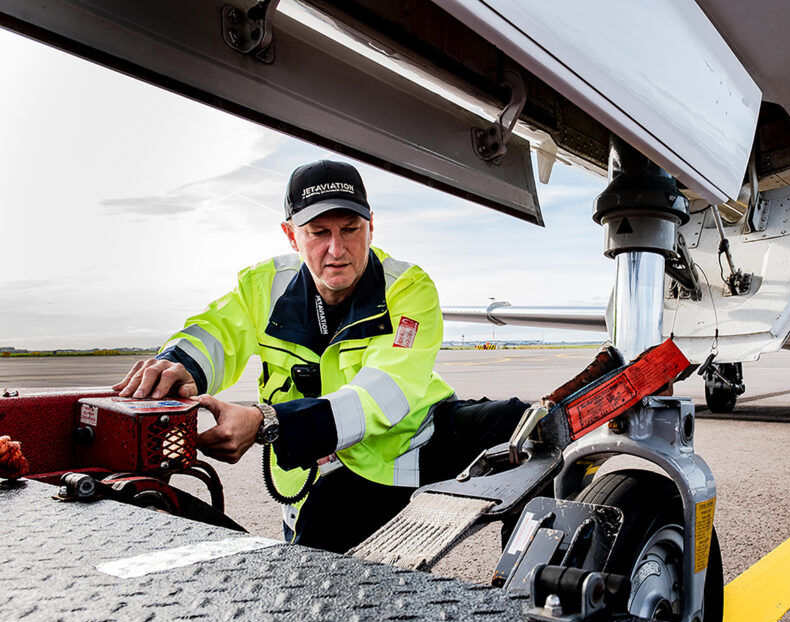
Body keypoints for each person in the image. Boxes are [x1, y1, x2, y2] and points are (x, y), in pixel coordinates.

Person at [113, 159, 527, 553]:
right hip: (338, 472)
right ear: (291, 235)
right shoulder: (263, 287)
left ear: (371, 227)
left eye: (350, 229)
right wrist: (177, 365)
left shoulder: (407, 288)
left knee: (524, 425)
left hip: (420, 440)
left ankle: (527, 586)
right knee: (311, 577)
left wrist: (269, 423)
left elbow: (384, 393)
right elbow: (215, 334)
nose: (337, 249)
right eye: (317, 232)